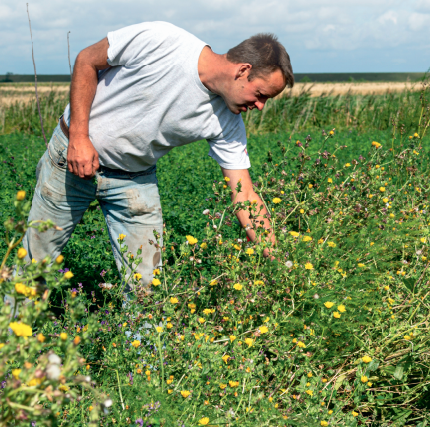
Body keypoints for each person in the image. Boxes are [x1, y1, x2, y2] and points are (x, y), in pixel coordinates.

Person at [23, 21, 294, 291]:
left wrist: (277, 260)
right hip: (70, 159)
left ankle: (142, 335)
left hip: (134, 178)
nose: (260, 106)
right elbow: (87, 60)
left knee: (147, 287)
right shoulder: (161, 40)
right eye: (260, 95)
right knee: (34, 265)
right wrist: (79, 137)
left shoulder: (230, 121)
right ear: (243, 70)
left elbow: (244, 193)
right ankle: (12, 331)